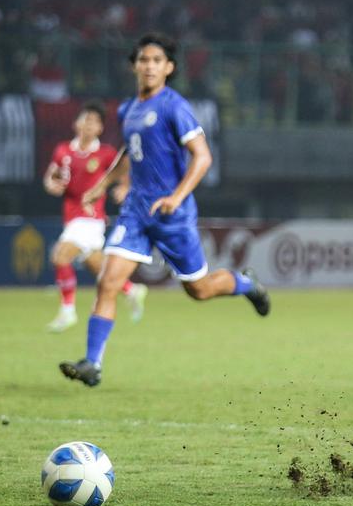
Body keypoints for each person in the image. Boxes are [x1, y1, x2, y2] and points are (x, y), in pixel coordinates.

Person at [59, 33, 270, 387]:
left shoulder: (175, 107)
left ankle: (247, 284)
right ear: (135, 66)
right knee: (109, 281)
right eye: (143, 60)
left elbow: (202, 157)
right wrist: (106, 183)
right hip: (137, 212)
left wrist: (176, 196)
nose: (149, 66)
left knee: (199, 290)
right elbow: (131, 151)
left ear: (168, 68)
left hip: (174, 215)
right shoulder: (128, 109)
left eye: (157, 60)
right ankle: (92, 364)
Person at [43, 102, 148, 332]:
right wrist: (51, 184)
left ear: (100, 128)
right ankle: (131, 290)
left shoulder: (105, 153)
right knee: (98, 268)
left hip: (90, 217)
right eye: (85, 119)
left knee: (60, 256)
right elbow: (51, 175)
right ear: (76, 123)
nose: (88, 125)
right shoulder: (63, 150)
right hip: (71, 216)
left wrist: (125, 186)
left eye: (94, 122)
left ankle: (68, 311)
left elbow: (126, 167)